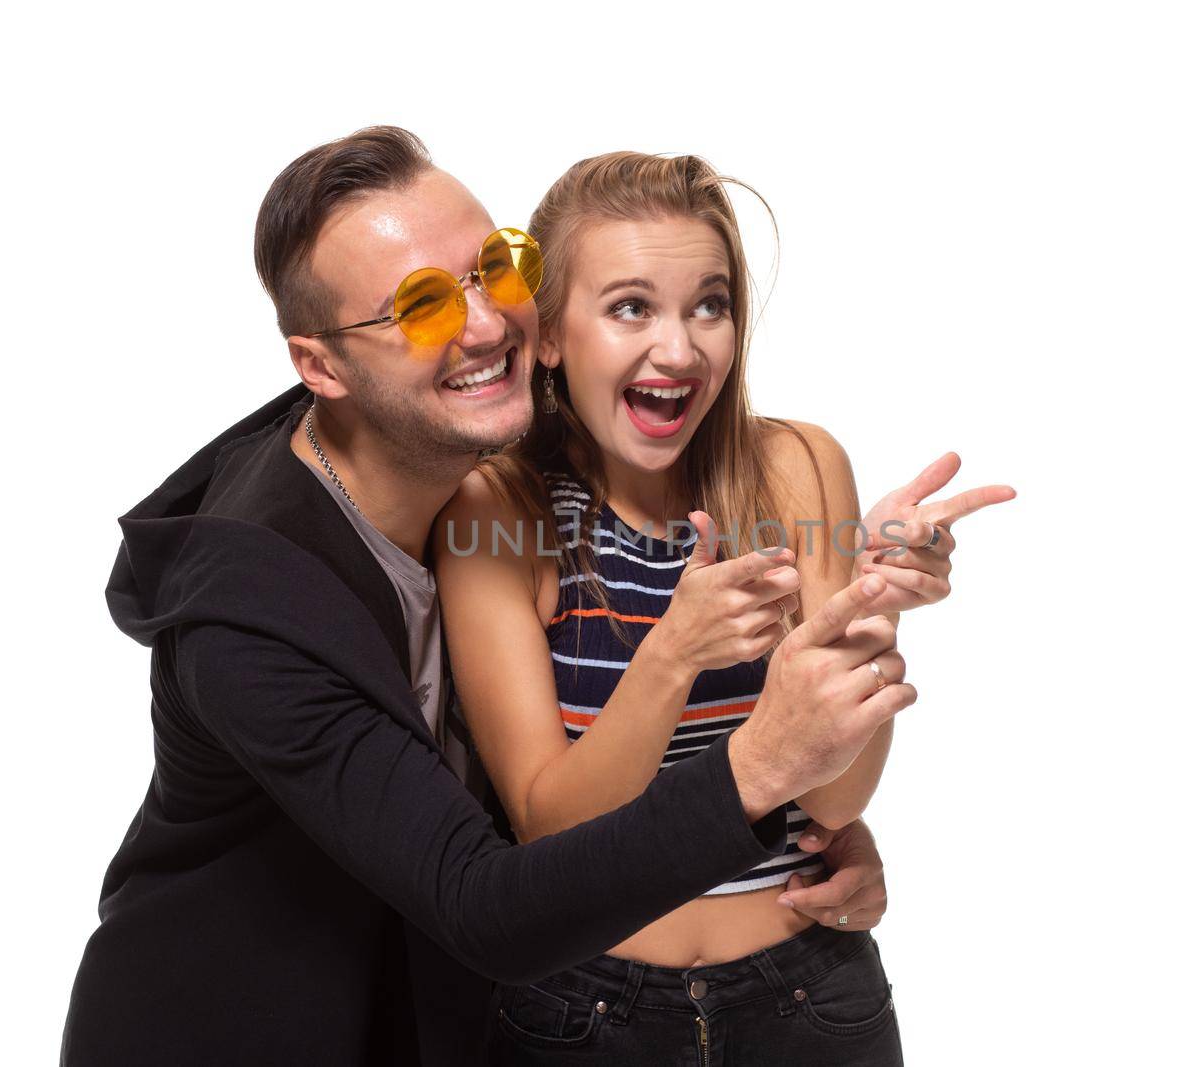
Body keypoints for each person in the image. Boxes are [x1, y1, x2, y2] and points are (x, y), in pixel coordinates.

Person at [60, 128, 933, 1067]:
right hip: (242, 1032)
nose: (485, 325)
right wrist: (758, 772)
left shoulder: (461, 475)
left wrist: (817, 809)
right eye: (421, 306)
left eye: (493, 268)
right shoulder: (254, 617)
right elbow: (489, 897)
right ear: (321, 367)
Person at [434, 152, 1014, 1065]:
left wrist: (872, 612)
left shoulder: (797, 464)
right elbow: (548, 829)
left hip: (809, 994)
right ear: (547, 335)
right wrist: (672, 654)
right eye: (631, 307)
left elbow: (834, 793)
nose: (681, 347)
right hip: (584, 1011)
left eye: (710, 303)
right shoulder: (497, 512)